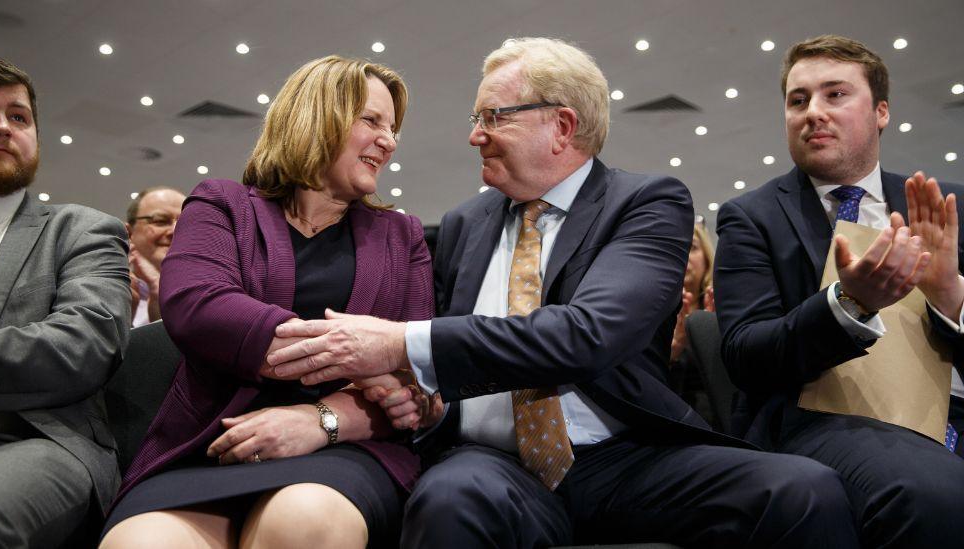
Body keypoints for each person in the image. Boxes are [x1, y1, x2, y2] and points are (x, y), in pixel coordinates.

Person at [265, 38, 859, 548]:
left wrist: (398, 343)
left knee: (803, 491)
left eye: (492, 116)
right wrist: (421, 397)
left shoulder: (646, 203)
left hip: (625, 456)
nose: (475, 136)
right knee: (449, 501)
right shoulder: (465, 224)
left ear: (562, 126)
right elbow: (440, 361)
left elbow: (589, 334)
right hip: (490, 461)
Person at [100, 55, 434, 549]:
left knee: (303, 521)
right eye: (372, 120)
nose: (389, 140)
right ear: (317, 116)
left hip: (347, 448)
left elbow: (414, 381)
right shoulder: (220, 205)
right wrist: (357, 352)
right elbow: (199, 306)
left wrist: (322, 419)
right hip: (212, 443)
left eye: (393, 128)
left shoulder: (401, 236)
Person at [714, 34, 964, 546]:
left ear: (881, 112)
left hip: (952, 409)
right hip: (823, 420)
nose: (813, 113)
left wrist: (949, 298)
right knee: (934, 490)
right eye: (798, 100)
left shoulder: (946, 204)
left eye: (836, 95)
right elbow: (745, 357)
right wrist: (849, 304)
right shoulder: (752, 218)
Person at [0, 55, 131, 547]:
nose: (2, 127)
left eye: (19, 116)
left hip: (37, 438)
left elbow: (84, 347)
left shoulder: (81, 229)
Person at [669, 223, 717, 425]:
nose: (685, 255)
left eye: (693, 247)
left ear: (706, 257)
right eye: (677, 247)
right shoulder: (653, 314)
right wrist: (673, 351)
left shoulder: (722, 306)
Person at [125, 186, 185, 326]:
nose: (175, 230)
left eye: (185, 223)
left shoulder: (212, 294)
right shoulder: (107, 290)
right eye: (160, 221)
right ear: (129, 233)